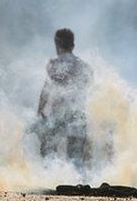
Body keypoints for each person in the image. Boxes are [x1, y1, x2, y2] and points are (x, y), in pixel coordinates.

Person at [37, 28, 93, 172]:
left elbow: (46, 90)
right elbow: (89, 90)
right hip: (78, 114)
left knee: (48, 150)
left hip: (58, 114)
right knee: (75, 156)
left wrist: (40, 110)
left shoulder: (54, 64)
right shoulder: (84, 66)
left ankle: (50, 179)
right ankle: (76, 184)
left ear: (57, 43)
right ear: (72, 45)